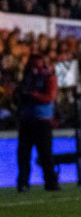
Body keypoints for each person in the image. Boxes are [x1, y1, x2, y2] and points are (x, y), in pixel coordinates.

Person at [15, 53, 60, 192]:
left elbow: (50, 97)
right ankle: (23, 182)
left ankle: (51, 182)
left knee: (45, 154)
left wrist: (33, 95)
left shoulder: (49, 77)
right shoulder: (26, 79)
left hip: (42, 121)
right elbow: (19, 96)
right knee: (23, 154)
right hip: (27, 120)